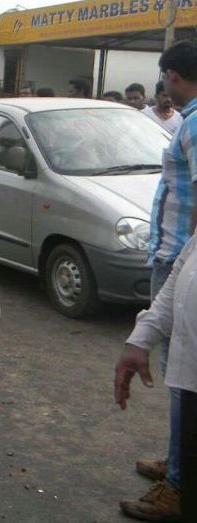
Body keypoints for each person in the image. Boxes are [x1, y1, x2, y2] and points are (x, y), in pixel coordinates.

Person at [115, 39, 197, 522]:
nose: (162, 84)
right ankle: (180, 460)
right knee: (180, 377)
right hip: (180, 257)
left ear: (172, 75)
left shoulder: (194, 124)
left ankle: (180, 484)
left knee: (184, 376)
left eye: (164, 76)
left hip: (184, 261)